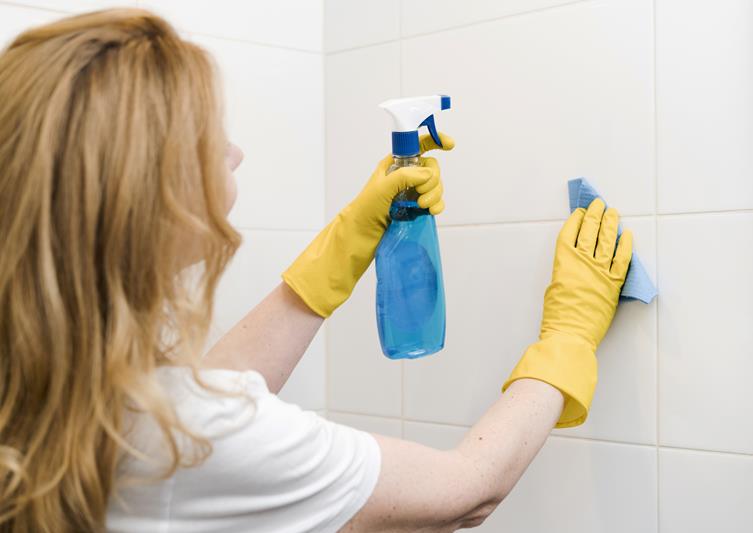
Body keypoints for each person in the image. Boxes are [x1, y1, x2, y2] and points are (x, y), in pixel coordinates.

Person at [0, 9, 633, 533]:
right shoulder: (187, 438)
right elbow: (468, 490)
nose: (235, 151)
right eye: (209, 137)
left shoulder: (38, 379)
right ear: (149, 192)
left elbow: (203, 401)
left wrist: (341, 252)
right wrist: (567, 341)